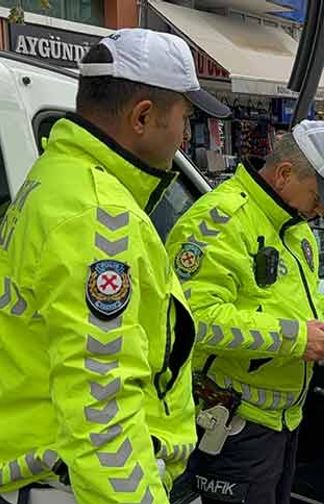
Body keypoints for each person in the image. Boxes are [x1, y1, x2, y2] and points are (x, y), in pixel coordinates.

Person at [0, 28, 231, 503]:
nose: (184, 136)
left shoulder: (53, 178)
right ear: (143, 116)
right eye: (184, 119)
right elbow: (102, 410)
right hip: (75, 486)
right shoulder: (99, 217)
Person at [165, 121, 324, 504]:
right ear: (284, 174)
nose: (320, 212)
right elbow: (193, 319)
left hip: (283, 422)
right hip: (233, 425)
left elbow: (298, 302)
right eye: (319, 198)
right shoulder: (220, 221)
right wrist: (295, 339)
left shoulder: (294, 227)